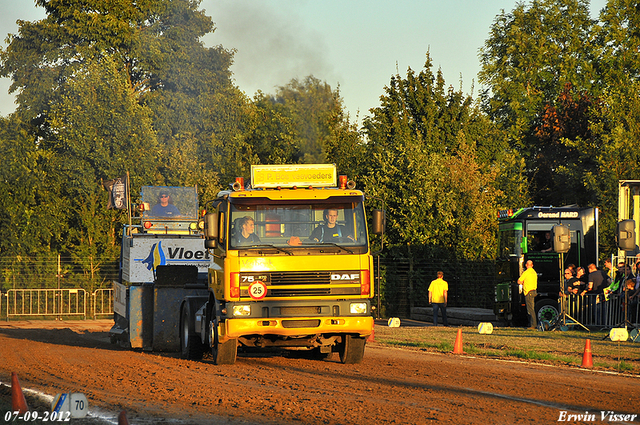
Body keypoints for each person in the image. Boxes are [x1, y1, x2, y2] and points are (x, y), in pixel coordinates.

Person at [518, 260, 538, 329]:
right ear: (532, 265)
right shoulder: (534, 272)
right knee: (532, 307)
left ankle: (533, 325)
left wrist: (523, 283)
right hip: (534, 291)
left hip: (528, 292)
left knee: (530, 309)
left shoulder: (526, 272)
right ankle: (532, 324)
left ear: (526, 265)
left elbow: (519, 281)